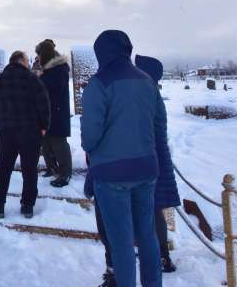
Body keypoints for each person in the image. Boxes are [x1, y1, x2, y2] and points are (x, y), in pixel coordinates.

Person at [81, 30, 164, 287]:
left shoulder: (99, 83)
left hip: (111, 173)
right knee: (148, 237)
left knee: (122, 243)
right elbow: (159, 124)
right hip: (146, 168)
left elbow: (90, 136)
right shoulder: (148, 81)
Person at [0, 51, 50, 219]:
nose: (29, 63)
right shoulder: (32, 80)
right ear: (21, 61)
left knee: (3, 169)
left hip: (7, 132)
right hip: (30, 132)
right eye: (27, 60)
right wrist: (43, 125)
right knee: (29, 170)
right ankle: (27, 206)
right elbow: (43, 104)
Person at [136, 55, 179, 274]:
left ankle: (161, 255)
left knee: (151, 210)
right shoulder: (150, 93)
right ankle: (159, 253)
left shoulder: (146, 96)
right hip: (155, 159)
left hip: (150, 159)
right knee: (152, 209)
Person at [35, 39, 73, 188]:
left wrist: (40, 77)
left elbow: (54, 86)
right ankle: (51, 167)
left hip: (57, 112)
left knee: (59, 143)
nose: (37, 57)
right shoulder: (48, 68)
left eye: (38, 54)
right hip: (47, 112)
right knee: (46, 142)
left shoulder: (60, 68)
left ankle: (65, 173)